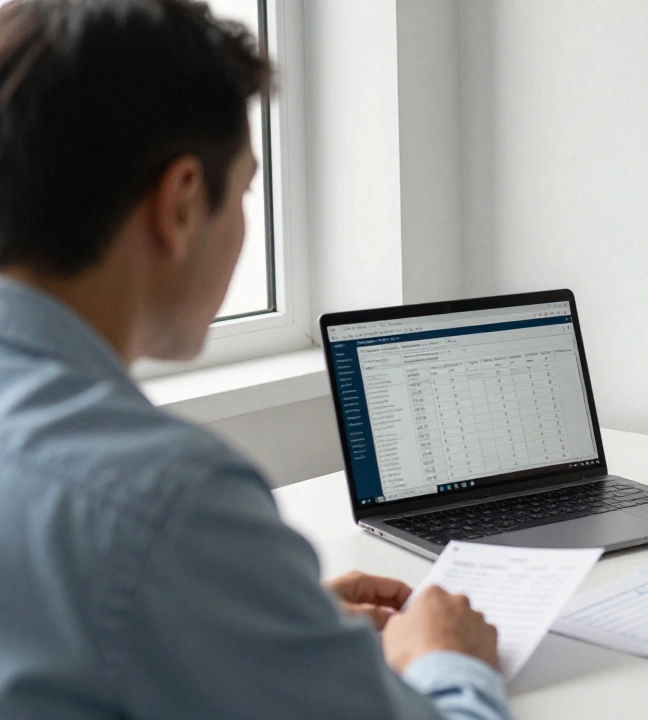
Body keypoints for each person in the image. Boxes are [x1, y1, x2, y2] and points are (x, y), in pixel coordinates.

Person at [0, 1, 511, 718]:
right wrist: (449, 663)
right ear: (180, 202)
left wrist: (259, 623)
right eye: (243, 190)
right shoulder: (169, 499)